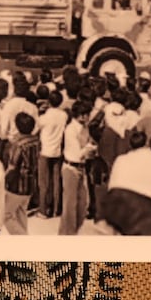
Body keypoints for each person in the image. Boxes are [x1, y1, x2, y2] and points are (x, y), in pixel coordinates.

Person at [59, 100, 96, 235]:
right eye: (88, 114)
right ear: (81, 115)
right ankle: (66, 236)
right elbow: (76, 154)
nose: (89, 117)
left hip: (81, 168)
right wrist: (89, 148)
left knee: (82, 205)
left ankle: (73, 232)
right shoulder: (70, 130)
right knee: (70, 207)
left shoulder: (85, 127)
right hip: (71, 168)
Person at [3, 112, 40, 234]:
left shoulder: (18, 145)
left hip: (17, 185)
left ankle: (22, 238)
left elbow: (12, 167)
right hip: (30, 184)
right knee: (21, 214)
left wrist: (2, 179)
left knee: (6, 215)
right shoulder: (36, 141)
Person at [37, 90, 68, 218]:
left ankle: (43, 210)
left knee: (43, 182)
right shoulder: (64, 115)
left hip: (45, 150)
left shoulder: (44, 117)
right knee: (56, 181)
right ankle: (56, 208)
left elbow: (36, 128)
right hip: (57, 150)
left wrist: (40, 111)